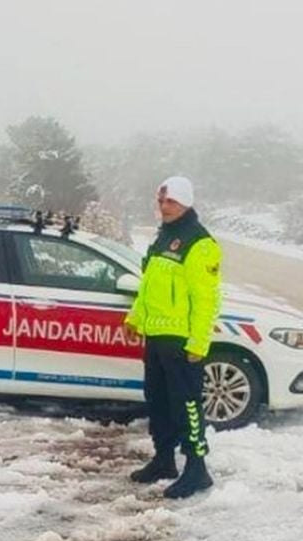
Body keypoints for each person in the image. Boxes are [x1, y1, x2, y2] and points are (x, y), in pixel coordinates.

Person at [124, 176, 222, 499]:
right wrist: (135, 319)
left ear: (186, 204)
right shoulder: (163, 239)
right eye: (162, 202)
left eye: (172, 202)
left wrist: (198, 343)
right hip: (156, 337)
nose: (165, 207)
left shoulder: (200, 244)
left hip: (182, 342)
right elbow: (148, 287)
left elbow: (206, 300)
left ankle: (197, 469)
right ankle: (164, 459)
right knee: (159, 401)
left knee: (187, 406)